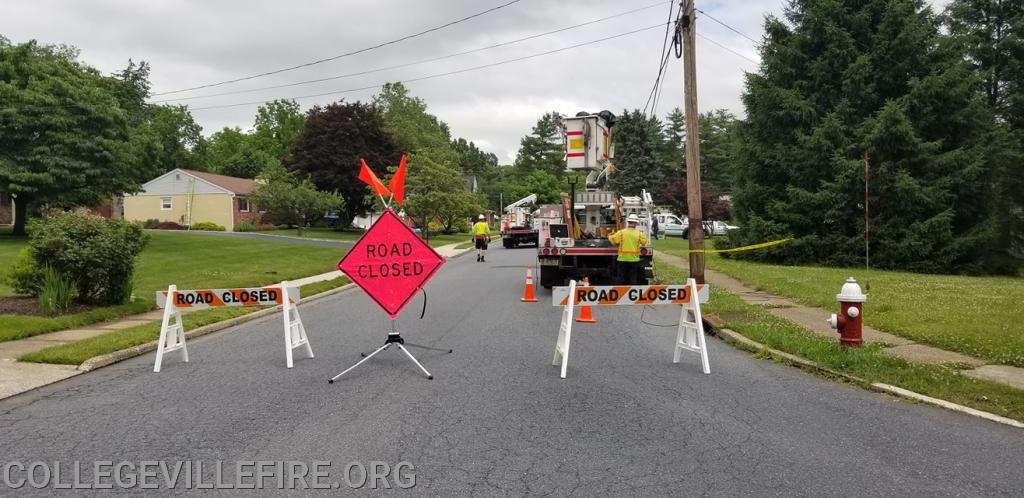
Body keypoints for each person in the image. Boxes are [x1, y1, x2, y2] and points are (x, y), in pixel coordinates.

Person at [608, 214, 649, 284]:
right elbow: (645, 243)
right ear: (635, 223)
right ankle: (632, 293)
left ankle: (621, 293)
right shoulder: (638, 234)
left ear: (628, 222)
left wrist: (610, 234)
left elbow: (612, 241)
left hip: (622, 259)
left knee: (620, 279)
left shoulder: (621, 233)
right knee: (633, 279)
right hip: (634, 260)